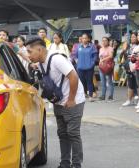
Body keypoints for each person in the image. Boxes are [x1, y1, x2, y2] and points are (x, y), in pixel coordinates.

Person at [25, 37, 85, 168]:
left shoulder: (57, 59)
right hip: (58, 101)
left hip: (73, 100)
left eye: (30, 52)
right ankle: (64, 163)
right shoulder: (41, 63)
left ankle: (76, 164)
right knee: (62, 134)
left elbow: (73, 76)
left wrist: (71, 99)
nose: (28, 55)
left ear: (39, 49)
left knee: (73, 133)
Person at [74, 33, 98, 102]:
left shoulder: (92, 46)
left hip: (89, 67)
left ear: (88, 39)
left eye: (85, 38)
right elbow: (74, 55)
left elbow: (95, 55)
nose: (84, 39)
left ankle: (90, 96)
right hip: (80, 67)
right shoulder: (78, 46)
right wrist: (77, 62)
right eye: (83, 38)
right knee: (81, 82)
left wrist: (92, 63)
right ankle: (83, 95)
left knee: (89, 81)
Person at [122, 32, 139, 106]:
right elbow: (125, 56)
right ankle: (129, 100)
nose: (132, 38)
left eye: (134, 37)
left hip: (137, 68)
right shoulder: (128, 46)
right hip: (129, 68)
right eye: (131, 37)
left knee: (138, 85)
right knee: (130, 84)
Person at [98, 37, 115, 101]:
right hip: (101, 67)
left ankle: (111, 96)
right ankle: (103, 95)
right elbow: (100, 57)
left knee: (110, 81)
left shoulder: (110, 48)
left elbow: (111, 56)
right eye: (103, 41)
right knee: (103, 82)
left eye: (105, 40)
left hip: (108, 66)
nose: (104, 42)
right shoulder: (101, 49)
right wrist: (100, 61)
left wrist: (103, 60)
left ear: (108, 41)